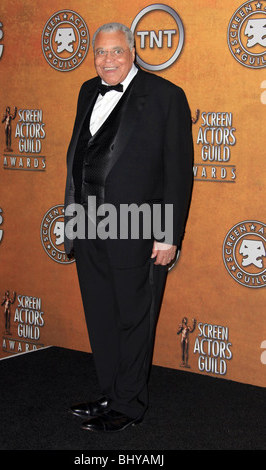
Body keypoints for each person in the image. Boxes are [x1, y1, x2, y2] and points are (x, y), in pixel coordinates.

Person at [64, 22, 193, 433]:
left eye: (116, 51)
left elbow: (177, 173)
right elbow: (81, 157)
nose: (108, 61)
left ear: (133, 52)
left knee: (134, 319)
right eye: (100, 52)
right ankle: (109, 391)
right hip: (88, 222)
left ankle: (129, 404)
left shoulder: (166, 97)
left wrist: (168, 233)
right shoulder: (88, 90)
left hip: (139, 227)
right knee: (101, 314)